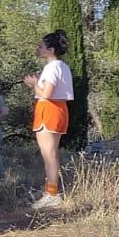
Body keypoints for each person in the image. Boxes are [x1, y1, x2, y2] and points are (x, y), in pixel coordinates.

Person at [22, 30, 73, 210]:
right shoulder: (63, 66)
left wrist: (34, 84)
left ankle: (52, 193)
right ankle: (49, 190)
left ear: (51, 50)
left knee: (48, 154)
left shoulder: (52, 67)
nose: (38, 49)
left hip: (49, 109)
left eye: (41, 47)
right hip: (58, 108)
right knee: (51, 153)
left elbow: (47, 93)